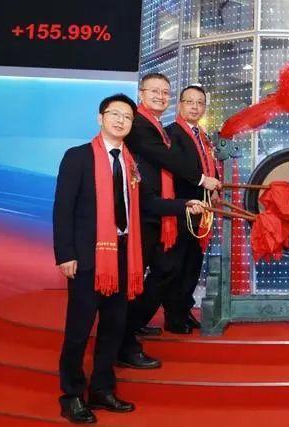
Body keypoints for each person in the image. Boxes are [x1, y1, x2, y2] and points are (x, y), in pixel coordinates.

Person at [53, 94, 204, 423]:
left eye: (127, 117)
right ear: (100, 118)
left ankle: (102, 389)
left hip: (124, 256)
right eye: (115, 114)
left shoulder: (131, 163)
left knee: (113, 327)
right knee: (79, 330)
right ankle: (72, 395)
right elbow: (63, 209)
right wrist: (65, 254)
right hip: (87, 258)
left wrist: (184, 205)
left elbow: (148, 203)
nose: (121, 121)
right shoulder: (78, 157)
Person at [118, 73, 220, 369]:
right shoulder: (143, 126)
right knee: (157, 272)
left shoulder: (157, 127)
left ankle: (132, 329)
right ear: (141, 93)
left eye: (165, 92)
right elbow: (169, 162)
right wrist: (201, 181)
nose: (160, 96)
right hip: (152, 212)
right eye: (155, 91)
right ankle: (126, 339)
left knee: (167, 269)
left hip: (166, 209)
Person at [165, 85, 221, 332]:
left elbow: (209, 166)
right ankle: (174, 317)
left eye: (200, 103)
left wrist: (215, 187)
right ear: (180, 105)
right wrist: (203, 183)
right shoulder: (171, 133)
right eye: (190, 102)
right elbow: (179, 169)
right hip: (183, 208)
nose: (195, 107)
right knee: (178, 265)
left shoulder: (202, 135)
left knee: (193, 264)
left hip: (202, 210)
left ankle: (184, 310)